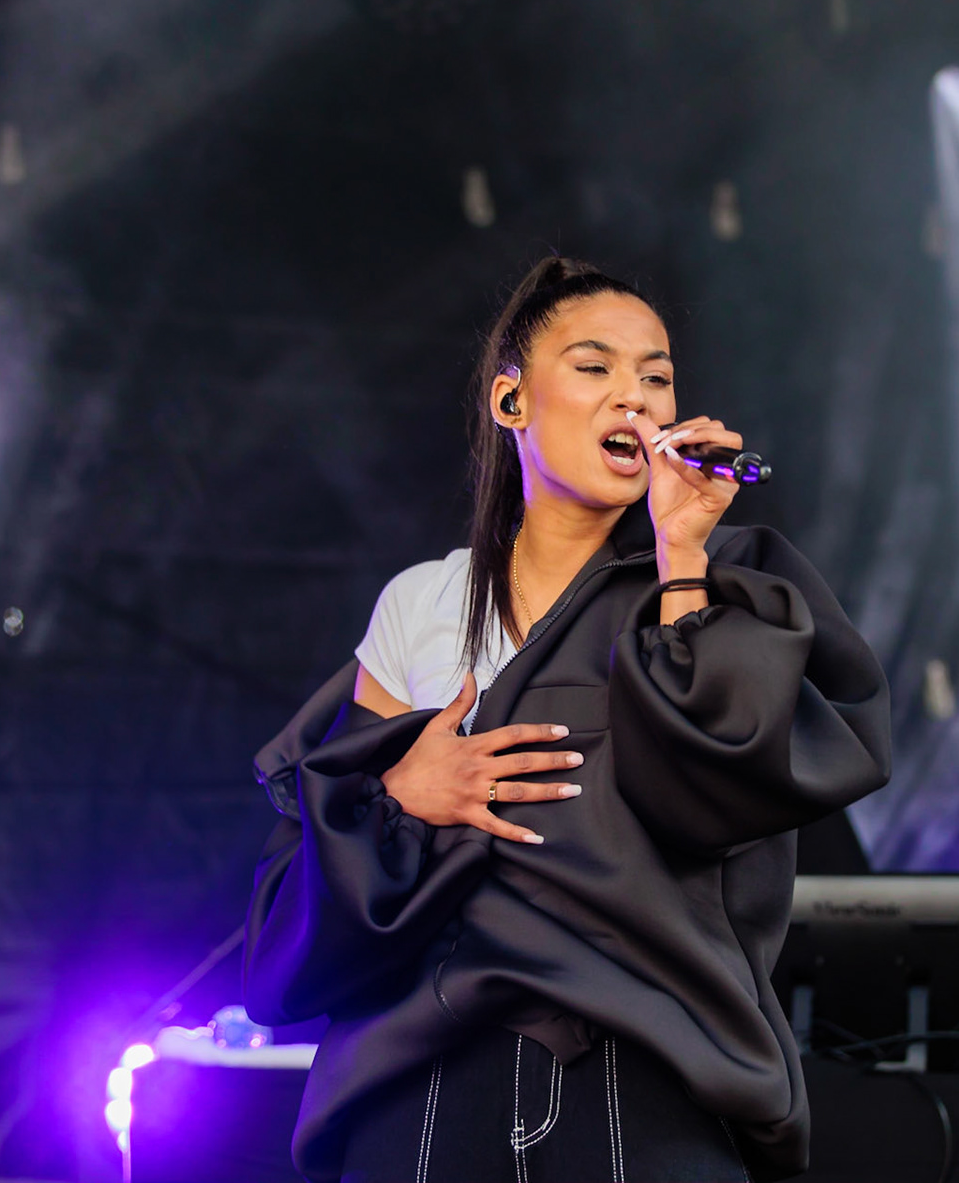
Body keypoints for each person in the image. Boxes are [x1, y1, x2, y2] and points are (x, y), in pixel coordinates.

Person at [244, 256, 891, 1183]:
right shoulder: (425, 603)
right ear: (513, 402)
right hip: (429, 1073)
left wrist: (679, 559)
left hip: (647, 1071)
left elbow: (717, 794)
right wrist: (402, 791)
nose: (634, 397)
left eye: (657, 377)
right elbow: (322, 848)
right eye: (595, 368)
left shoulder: (726, 582)